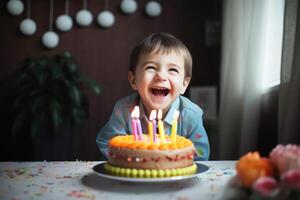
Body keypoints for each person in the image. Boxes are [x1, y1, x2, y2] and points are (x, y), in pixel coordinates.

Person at [96, 32, 210, 161]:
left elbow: (201, 153)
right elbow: (107, 142)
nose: (161, 76)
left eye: (172, 70)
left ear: (184, 84)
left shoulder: (190, 114)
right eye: (151, 67)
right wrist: (128, 161)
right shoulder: (123, 110)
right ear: (133, 80)